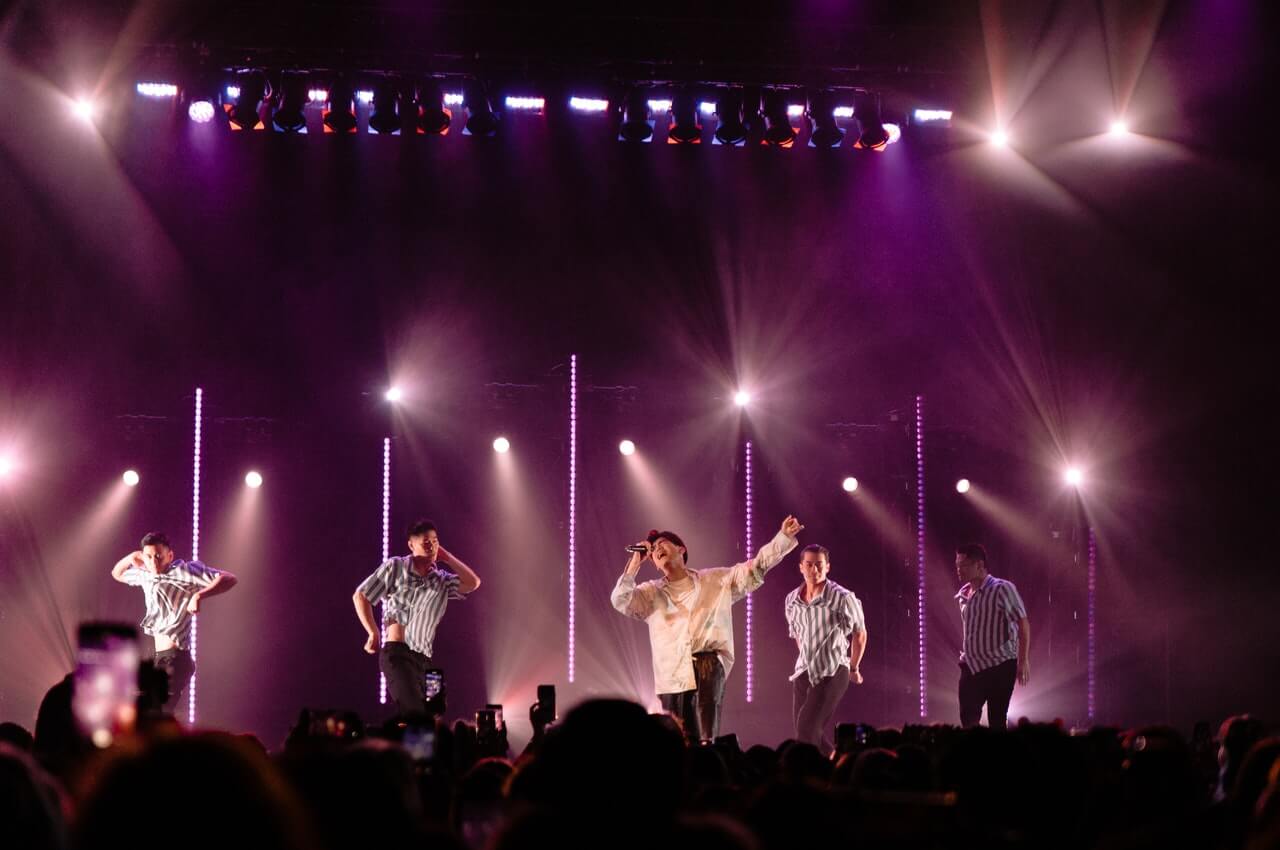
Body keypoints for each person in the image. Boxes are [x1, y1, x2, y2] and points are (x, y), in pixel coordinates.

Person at [611, 515, 803, 742]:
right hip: (671, 676)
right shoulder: (651, 593)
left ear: (681, 549)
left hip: (708, 664)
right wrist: (635, 563)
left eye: (663, 544)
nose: (657, 549)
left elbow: (756, 568)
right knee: (677, 740)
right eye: (653, 550)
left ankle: (708, 750)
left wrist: (783, 539)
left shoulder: (716, 580)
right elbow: (620, 601)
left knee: (703, 732)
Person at [353, 519, 481, 716]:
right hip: (398, 654)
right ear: (412, 545)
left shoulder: (441, 580)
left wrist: (447, 558)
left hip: (426, 661)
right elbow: (361, 595)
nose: (432, 546)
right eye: (426, 542)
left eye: (435, 541)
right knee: (414, 713)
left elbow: (473, 583)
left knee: (436, 712)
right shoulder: (396, 567)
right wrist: (373, 632)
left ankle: (414, 744)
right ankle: (412, 744)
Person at [110, 532, 238, 712]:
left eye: (158, 556)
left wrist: (199, 595)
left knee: (152, 713)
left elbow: (229, 578)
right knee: (141, 711)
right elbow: (117, 573)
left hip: (175, 660)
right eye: (148, 557)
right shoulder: (146, 574)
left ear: (169, 555)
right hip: (160, 659)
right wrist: (132, 557)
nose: (153, 562)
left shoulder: (184, 571)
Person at [784, 543, 866, 753]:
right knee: (807, 733)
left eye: (819, 565)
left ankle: (814, 775)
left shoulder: (842, 597)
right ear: (801, 567)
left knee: (807, 728)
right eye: (809, 565)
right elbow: (797, 634)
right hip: (804, 671)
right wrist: (807, 655)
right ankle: (837, 765)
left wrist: (854, 667)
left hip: (833, 670)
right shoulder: (792, 600)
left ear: (827, 567)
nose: (814, 570)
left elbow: (860, 633)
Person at [953, 543, 1030, 729]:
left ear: (979, 565)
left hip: (1000, 666)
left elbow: (1023, 622)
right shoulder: (964, 595)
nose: (958, 570)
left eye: (963, 565)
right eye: (957, 565)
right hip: (971, 666)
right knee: (968, 720)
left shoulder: (1002, 589)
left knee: (997, 720)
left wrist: (1023, 660)